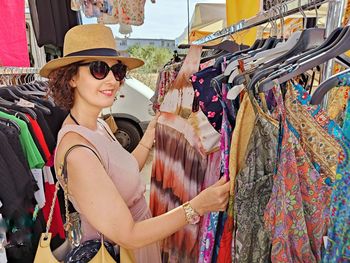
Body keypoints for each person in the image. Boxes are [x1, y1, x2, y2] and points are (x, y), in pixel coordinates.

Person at [40, 24, 230, 262]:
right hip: (124, 251)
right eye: (99, 69)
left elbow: (121, 171)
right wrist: (198, 206)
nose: (112, 80)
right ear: (71, 78)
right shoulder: (79, 152)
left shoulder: (95, 125)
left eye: (117, 71)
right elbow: (128, 235)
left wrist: (149, 136)